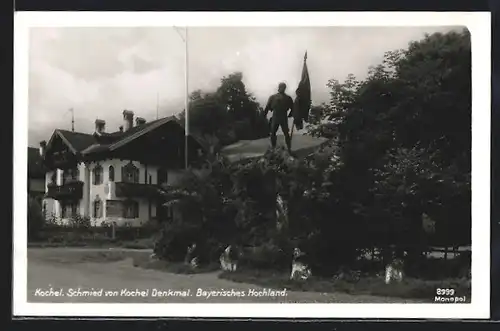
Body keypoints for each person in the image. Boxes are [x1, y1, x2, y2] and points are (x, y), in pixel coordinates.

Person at [263, 82, 294, 152]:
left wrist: (291, 114)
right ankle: (273, 147)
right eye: (280, 87)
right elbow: (267, 107)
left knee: (286, 133)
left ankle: (289, 148)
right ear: (279, 87)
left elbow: (293, 107)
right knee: (273, 132)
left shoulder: (288, 98)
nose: (281, 88)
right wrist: (264, 115)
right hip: (276, 116)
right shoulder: (273, 97)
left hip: (283, 116)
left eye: (283, 87)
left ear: (284, 88)